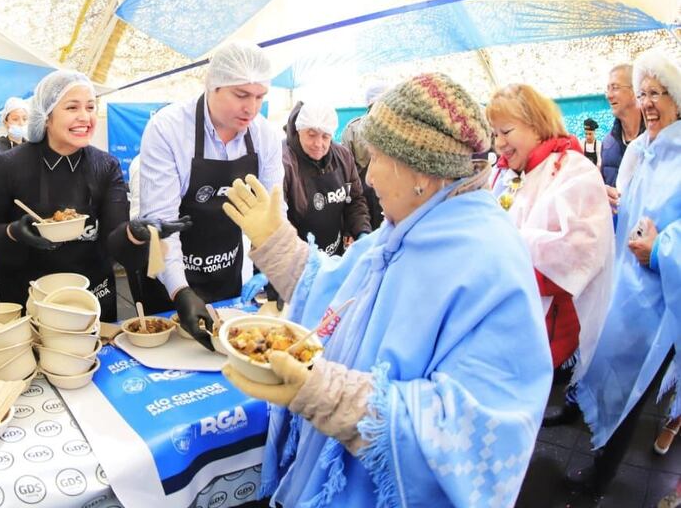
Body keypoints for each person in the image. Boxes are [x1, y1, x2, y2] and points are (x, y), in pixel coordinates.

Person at [220, 73, 552, 507]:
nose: (369, 177)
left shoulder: (489, 260)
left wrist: (332, 397)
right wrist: (277, 244)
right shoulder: (406, 226)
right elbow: (338, 295)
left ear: (419, 170)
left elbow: (474, 430)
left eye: (375, 158)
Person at [573, 49, 681, 499]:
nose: (648, 102)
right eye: (643, 93)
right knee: (612, 370)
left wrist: (661, 249)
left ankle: (599, 479)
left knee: (634, 390)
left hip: (660, 304)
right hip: (629, 290)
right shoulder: (645, 150)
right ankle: (598, 455)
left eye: (657, 93)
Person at [136, 41, 285, 347]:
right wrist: (180, 290)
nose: (251, 108)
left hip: (226, 274)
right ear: (213, 85)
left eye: (260, 97)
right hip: (169, 283)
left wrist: (279, 268)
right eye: (241, 95)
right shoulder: (168, 129)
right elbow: (160, 224)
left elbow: (274, 213)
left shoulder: (265, 136)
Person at [486, 84, 614, 428]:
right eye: (494, 133)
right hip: (513, 314)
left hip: (549, 320)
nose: (499, 142)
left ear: (536, 123)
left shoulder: (572, 169)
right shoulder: (505, 173)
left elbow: (581, 247)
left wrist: (505, 252)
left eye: (506, 131)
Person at [0, 71, 129, 320]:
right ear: (45, 117)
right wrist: (14, 232)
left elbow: (116, 239)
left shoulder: (106, 166)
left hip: (92, 300)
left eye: (91, 107)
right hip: (29, 301)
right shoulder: (9, 166)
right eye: (72, 107)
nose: (85, 116)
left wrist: (138, 235)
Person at [283, 100, 369, 255]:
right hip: (295, 260)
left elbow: (354, 200)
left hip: (334, 255)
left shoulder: (343, 156)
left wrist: (361, 231)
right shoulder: (284, 163)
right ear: (299, 130)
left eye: (325, 136)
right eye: (311, 135)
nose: (318, 143)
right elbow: (277, 220)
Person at [341, 80, 388, 230]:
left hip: (376, 191)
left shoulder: (352, 129)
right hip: (367, 193)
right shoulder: (353, 130)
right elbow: (346, 173)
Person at [601, 63, 645, 209]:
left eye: (615, 87)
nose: (608, 95)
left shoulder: (656, 140)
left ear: (634, 91)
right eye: (607, 89)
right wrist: (603, 193)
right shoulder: (608, 145)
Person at [0, 97, 28, 173]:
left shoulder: (32, 149)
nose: (21, 123)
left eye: (24, 119)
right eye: (15, 119)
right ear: (5, 122)